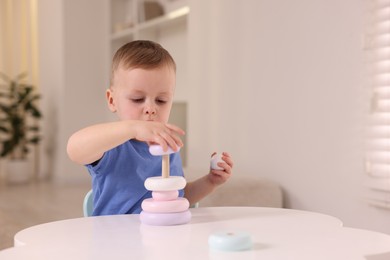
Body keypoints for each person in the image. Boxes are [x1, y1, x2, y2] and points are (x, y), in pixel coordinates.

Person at [67, 40, 233, 216]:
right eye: (137, 99)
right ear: (112, 100)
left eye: (161, 100)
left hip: (160, 237)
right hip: (114, 237)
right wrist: (133, 128)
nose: (151, 108)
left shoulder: (167, 146)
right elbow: (74, 148)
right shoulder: (111, 145)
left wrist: (210, 181)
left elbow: (176, 199)